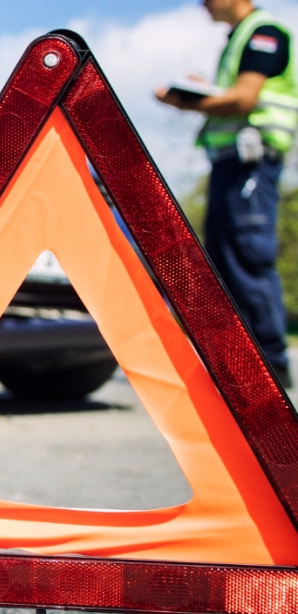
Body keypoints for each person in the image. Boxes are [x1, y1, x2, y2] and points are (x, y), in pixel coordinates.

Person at [157, 0, 298, 387]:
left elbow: (244, 98)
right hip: (230, 163)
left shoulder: (264, 34)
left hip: (250, 163)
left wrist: (185, 99)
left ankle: (271, 363)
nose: (202, 4)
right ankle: (243, 362)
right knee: (224, 256)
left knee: (248, 255)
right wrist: (204, 92)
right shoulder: (240, 39)